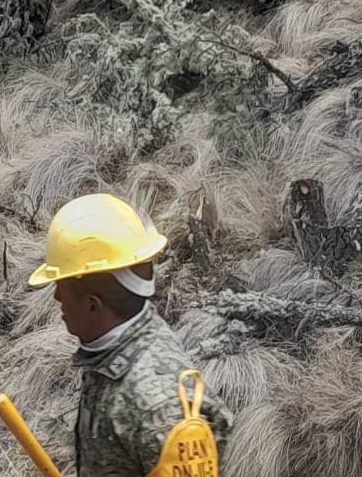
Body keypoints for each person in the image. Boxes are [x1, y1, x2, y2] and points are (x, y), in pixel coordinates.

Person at [27, 194, 231, 476]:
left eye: (61, 287)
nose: (56, 296)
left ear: (92, 305)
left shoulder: (158, 406)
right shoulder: (116, 349)